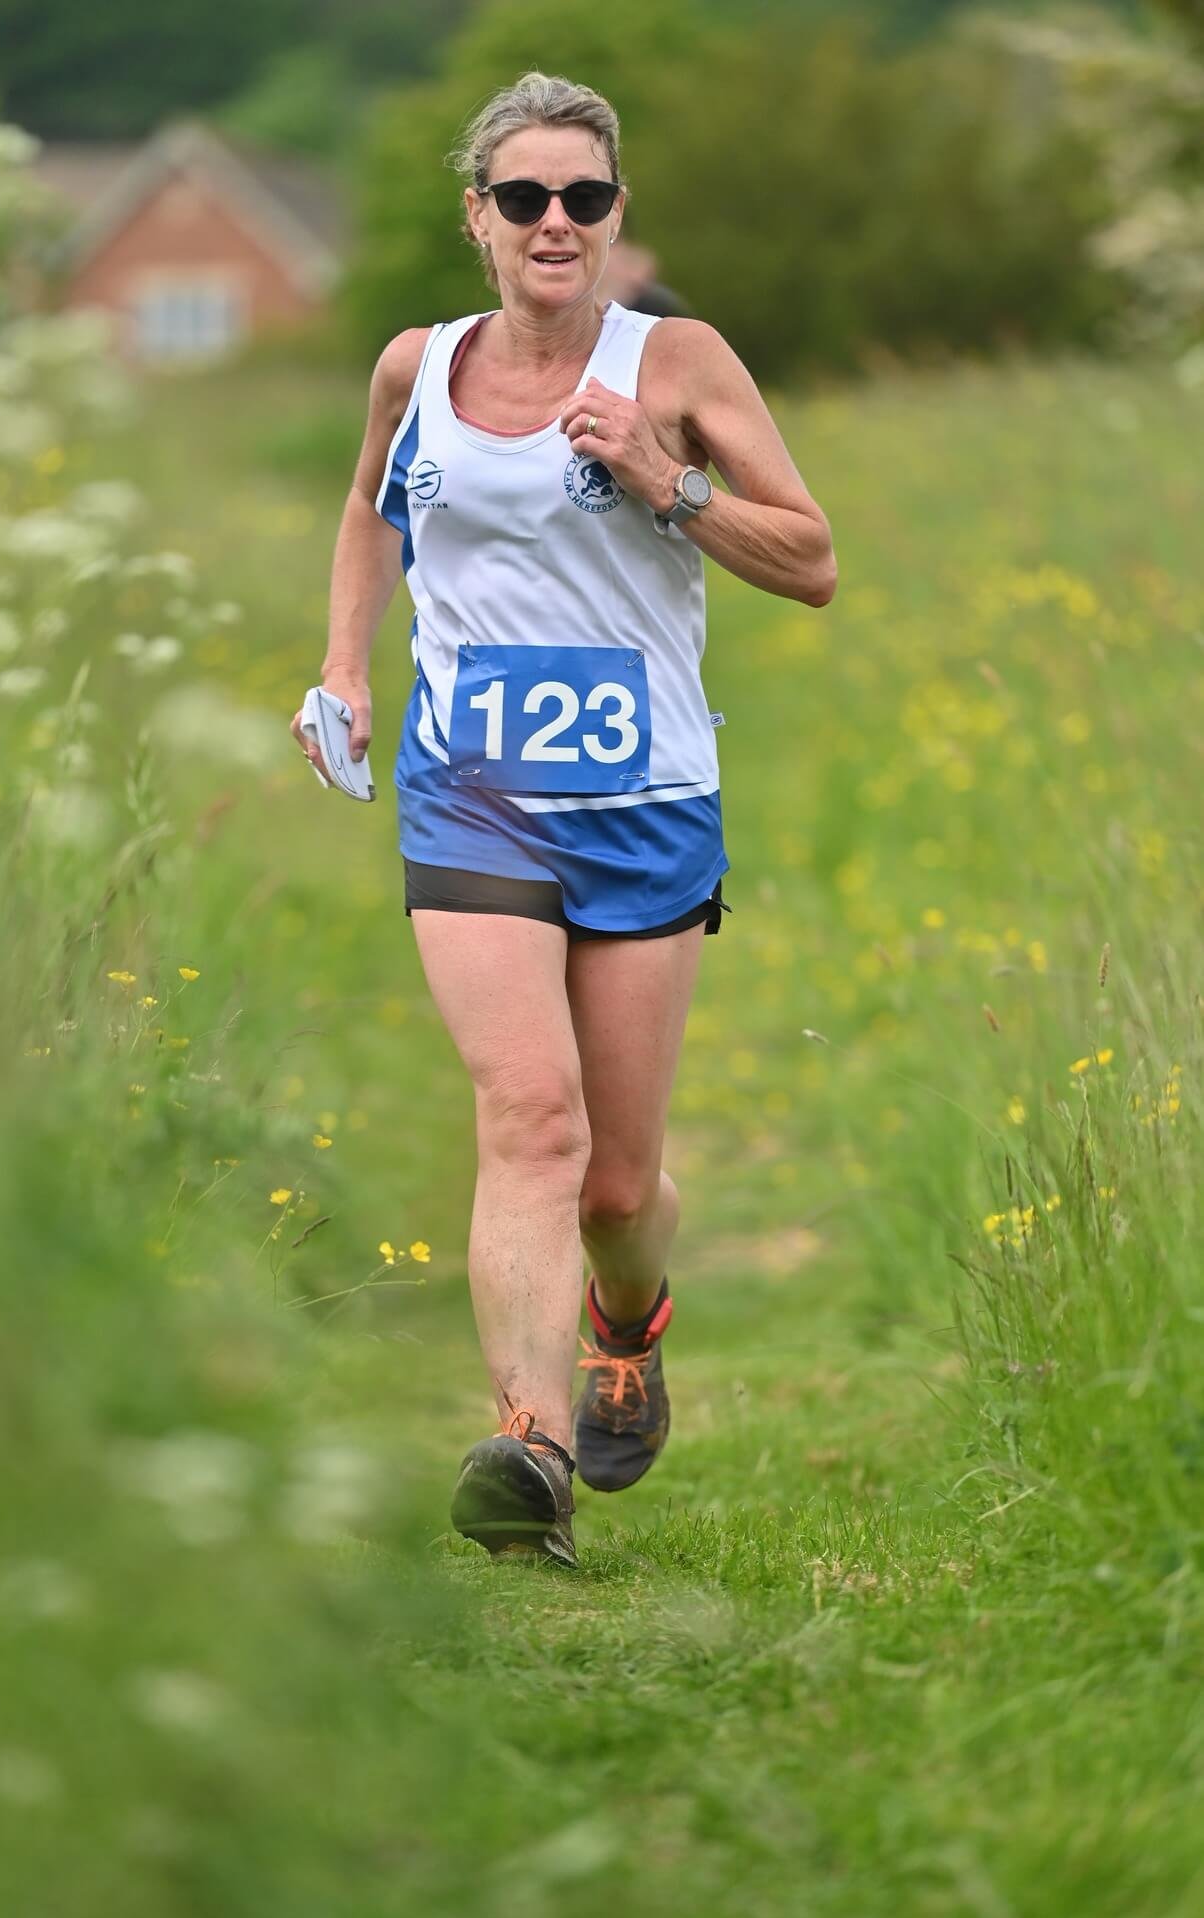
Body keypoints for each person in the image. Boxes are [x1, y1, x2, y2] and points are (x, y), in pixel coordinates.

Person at [292, 70, 836, 1569]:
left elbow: (810, 559)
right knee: (529, 1119)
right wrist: (346, 665)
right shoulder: (419, 367)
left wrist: (666, 483)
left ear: (614, 219)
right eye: (523, 197)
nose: (554, 222)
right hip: (473, 786)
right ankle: (527, 1446)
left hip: (646, 802)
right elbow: (370, 508)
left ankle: (627, 1320)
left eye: (582, 199)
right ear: (478, 217)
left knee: (614, 1179)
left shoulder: (679, 361)